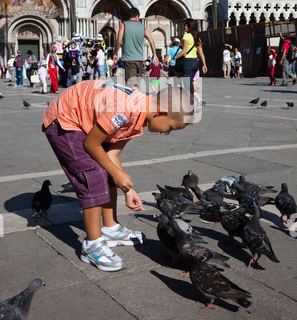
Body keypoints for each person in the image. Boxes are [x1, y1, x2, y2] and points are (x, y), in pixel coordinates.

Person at [42, 81, 194, 272]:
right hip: (63, 120)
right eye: (171, 128)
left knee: (107, 169)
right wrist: (116, 173)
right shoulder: (125, 110)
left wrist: (129, 189)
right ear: (162, 112)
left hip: (83, 119)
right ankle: (92, 246)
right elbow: (91, 144)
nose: (167, 133)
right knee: (93, 174)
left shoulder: (140, 115)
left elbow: (111, 155)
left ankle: (111, 228)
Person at [113, 7, 159, 87]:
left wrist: (115, 53)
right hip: (140, 60)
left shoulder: (124, 25)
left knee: (131, 85)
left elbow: (118, 41)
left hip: (129, 60)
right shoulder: (142, 27)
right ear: (137, 16)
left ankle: (132, 99)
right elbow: (151, 40)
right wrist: (154, 54)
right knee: (138, 84)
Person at [170, 18, 207, 101]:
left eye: (186, 25)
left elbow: (184, 51)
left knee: (187, 83)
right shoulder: (197, 38)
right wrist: (204, 64)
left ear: (190, 26)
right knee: (187, 82)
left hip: (188, 62)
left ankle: (199, 100)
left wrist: (174, 58)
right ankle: (188, 100)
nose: (184, 26)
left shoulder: (186, 36)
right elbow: (201, 52)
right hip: (195, 62)